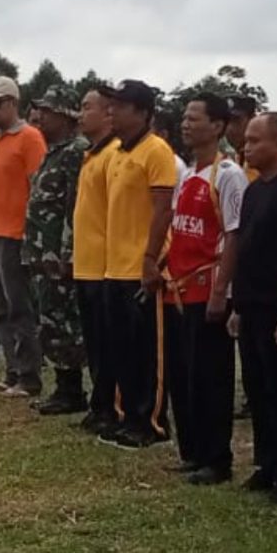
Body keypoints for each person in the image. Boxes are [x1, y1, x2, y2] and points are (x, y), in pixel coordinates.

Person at [224, 110, 277, 498]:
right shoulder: (255, 189)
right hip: (251, 301)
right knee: (256, 389)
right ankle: (266, 462)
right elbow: (243, 247)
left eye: (256, 140)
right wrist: (237, 305)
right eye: (247, 141)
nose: (247, 147)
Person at [162, 92, 245, 483]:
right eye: (184, 117)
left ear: (218, 126)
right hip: (177, 291)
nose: (186, 124)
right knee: (185, 375)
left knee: (212, 376)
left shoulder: (228, 176)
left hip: (207, 290)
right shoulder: (187, 175)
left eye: (195, 118)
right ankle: (192, 450)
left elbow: (234, 235)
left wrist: (220, 291)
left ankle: (217, 458)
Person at [102, 80, 180, 448]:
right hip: (114, 267)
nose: (111, 112)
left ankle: (150, 420)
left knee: (147, 350)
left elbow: (163, 209)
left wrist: (150, 259)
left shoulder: (157, 151)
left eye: (119, 106)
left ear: (143, 113)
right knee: (121, 348)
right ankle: (127, 414)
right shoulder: (118, 153)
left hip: (142, 266)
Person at [0, 74, 48, 402]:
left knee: (19, 307)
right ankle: (12, 371)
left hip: (14, 234)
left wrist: (33, 235)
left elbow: (39, 188)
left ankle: (29, 375)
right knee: (0, 308)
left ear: (13, 103)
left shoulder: (30, 138)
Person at [24, 86, 91, 418]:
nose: (40, 117)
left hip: (58, 257)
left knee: (63, 321)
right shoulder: (53, 152)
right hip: (42, 253)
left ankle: (71, 389)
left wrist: (67, 252)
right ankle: (65, 386)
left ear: (65, 116)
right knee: (49, 319)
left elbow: (74, 206)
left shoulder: (75, 153)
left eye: (47, 112)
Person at [70, 85, 122, 434]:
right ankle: (99, 403)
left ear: (108, 114)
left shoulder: (115, 155)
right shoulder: (91, 155)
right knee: (94, 341)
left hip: (107, 267)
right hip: (85, 265)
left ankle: (112, 406)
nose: (80, 114)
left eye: (87, 107)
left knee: (110, 342)